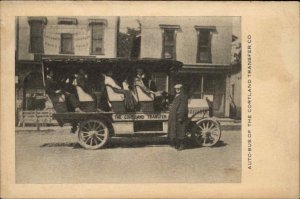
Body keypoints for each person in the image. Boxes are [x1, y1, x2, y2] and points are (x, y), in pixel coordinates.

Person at [167, 83, 189, 151]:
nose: (177, 90)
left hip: (179, 116)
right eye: (176, 89)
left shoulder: (183, 96)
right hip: (174, 117)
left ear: (181, 89)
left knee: (181, 132)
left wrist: (181, 117)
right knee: (176, 131)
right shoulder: (177, 96)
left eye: (179, 89)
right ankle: (177, 144)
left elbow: (183, 107)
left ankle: (182, 145)